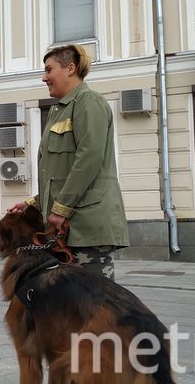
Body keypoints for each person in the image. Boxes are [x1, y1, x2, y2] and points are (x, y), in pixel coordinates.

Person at [8, 44, 129, 280]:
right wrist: (32, 202)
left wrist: (60, 208)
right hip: (69, 229)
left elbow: (89, 158)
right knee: (73, 306)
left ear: (71, 68)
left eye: (49, 69)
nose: (45, 78)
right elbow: (59, 175)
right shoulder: (61, 110)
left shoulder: (88, 101)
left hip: (87, 227)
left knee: (94, 304)